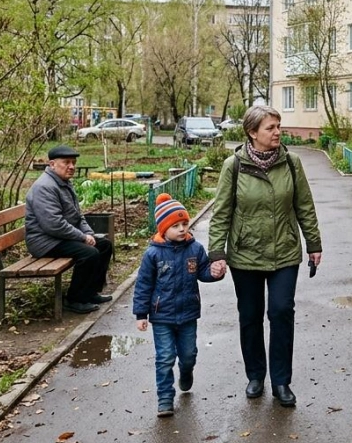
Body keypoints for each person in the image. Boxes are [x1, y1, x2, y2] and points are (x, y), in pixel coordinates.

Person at [208, 105, 322, 407]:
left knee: (282, 312)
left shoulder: (292, 163)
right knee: (250, 316)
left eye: (278, 126)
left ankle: (282, 381)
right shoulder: (233, 166)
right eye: (270, 127)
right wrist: (216, 253)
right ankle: (256, 375)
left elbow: (305, 207)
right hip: (245, 254)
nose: (277, 132)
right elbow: (220, 213)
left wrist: (314, 244)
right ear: (252, 132)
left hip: (284, 252)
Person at [133, 193, 227, 417]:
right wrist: (141, 314)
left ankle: (186, 372)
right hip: (161, 316)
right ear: (163, 229)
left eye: (184, 223)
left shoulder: (195, 249)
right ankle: (165, 398)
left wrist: (215, 273)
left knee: (188, 354)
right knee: (165, 358)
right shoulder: (153, 254)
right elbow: (144, 284)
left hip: (188, 314)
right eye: (175, 225)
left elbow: (203, 272)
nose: (182, 229)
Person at [24, 145, 113, 314]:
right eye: (66, 162)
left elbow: (77, 216)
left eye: (73, 162)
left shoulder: (63, 183)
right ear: (52, 164)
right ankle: (74, 299)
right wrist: (82, 237)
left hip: (57, 237)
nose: (71, 166)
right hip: (44, 241)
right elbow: (53, 224)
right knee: (89, 253)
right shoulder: (45, 187)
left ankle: (90, 292)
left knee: (104, 245)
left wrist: (89, 233)